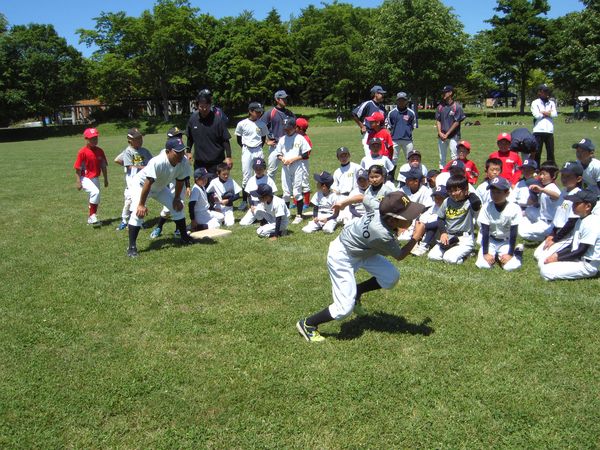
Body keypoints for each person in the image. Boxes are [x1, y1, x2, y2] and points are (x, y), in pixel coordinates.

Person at [296, 191, 426, 342]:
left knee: (391, 277)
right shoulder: (382, 233)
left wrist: (343, 203)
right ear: (392, 220)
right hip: (342, 256)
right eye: (407, 216)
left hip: (363, 251)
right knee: (344, 309)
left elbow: (361, 196)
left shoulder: (380, 208)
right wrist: (416, 236)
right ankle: (308, 324)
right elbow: (400, 255)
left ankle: (357, 291)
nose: (411, 217)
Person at [126, 137, 193, 258]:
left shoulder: (183, 162)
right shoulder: (157, 162)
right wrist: (141, 204)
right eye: (177, 152)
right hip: (141, 185)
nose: (181, 154)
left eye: (183, 151)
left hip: (159, 187)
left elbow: (180, 180)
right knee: (138, 213)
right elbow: (147, 183)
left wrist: (177, 198)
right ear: (168, 151)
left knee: (177, 207)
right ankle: (131, 247)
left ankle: (184, 237)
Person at [539, 189, 600, 281]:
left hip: (587, 265)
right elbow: (573, 246)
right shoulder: (581, 220)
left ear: (588, 206)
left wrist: (558, 258)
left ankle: (591, 274)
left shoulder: (591, 223)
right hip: (578, 260)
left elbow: (581, 251)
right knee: (542, 261)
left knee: (546, 271)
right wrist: (556, 255)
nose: (573, 206)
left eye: (576, 203)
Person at [533, 161, 583, 264]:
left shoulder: (578, 195)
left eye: (568, 176)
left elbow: (571, 223)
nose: (564, 179)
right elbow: (559, 217)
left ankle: (569, 255)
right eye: (563, 175)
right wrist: (552, 233)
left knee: (542, 260)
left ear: (578, 179)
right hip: (559, 231)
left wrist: (555, 239)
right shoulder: (564, 191)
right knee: (537, 254)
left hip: (569, 235)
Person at [427, 175, 482, 264]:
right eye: (450, 191)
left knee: (448, 258)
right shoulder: (447, 201)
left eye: (456, 190)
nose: (453, 194)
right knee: (432, 256)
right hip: (450, 237)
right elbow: (440, 218)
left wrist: (470, 193)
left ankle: (464, 256)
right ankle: (455, 252)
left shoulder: (469, 201)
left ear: (465, 189)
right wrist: (443, 233)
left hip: (465, 238)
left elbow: (477, 204)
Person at [475, 176, 522, 271]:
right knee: (483, 265)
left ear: (507, 193)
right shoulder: (486, 207)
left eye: (498, 192)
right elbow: (485, 231)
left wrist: (510, 254)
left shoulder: (514, 208)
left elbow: (513, 233)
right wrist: (485, 253)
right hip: (490, 240)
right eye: (493, 192)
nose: (495, 195)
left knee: (510, 267)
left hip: (506, 241)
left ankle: (517, 252)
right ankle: (493, 254)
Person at [114, 128, 153, 231]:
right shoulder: (128, 152)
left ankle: (140, 221)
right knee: (129, 200)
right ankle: (124, 220)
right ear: (130, 140)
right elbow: (129, 167)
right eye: (137, 139)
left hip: (142, 180)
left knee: (141, 200)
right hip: (131, 180)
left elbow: (151, 162)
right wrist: (144, 168)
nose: (140, 140)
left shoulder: (144, 151)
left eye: (141, 138)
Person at [186, 90, 232, 173]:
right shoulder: (193, 119)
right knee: (200, 186)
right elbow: (190, 137)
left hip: (216, 163)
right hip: (199, 163)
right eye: (201, 106)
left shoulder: (218, 120)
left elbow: (225, 140)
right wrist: (188, 152)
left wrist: (228, 157)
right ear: (197, 106)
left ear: (210, 105)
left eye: (206, 106)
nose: (204, 109)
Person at [276, 117, 311, 224]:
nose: (286, 130)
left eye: (289, 128)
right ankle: (286, 214)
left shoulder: (300, 138)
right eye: (285, 128)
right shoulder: (282, 139)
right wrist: (283, 159)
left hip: (297, 166)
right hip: (286, 167)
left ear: (295, 127)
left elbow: (305, 153)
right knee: (286, 192)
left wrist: (293, 159)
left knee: (297, 192)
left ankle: (299, 215)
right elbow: (278, 154)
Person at [235, 101, 268, 211]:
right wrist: (246, 148)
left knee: (260, 173)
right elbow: (239, 139)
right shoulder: (242, 123)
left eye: (260, 112)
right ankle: (245, 200)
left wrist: (257, 148)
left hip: (258, 149)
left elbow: (263, 138)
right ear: (250, 111)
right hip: (247, 150)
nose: (259, 114)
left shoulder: (262, 124)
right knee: (246, 175)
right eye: (257, 112)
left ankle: (260, 198)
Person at [518, 161, 561, 242]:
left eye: (544, 174)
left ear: (553, 176)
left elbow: (558, 196)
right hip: (542, 217)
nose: (541, 177)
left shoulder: (552, 187)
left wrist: (542, 190)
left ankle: (547, 237)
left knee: (522, 232)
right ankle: (533, 227)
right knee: (528, 210)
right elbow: (531, 203)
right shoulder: (545, 186)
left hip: (549, 224)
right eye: (540, 174)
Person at [73, 127, 108, 226]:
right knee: (95, 192)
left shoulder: (100, 151)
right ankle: (92, 215)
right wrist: (78, 181)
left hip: (95, 177)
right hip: (85, 177)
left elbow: (103, 166)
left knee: (96, 197)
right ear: (86, 139)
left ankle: (90, 218)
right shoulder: (82, 152)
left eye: (96, 138)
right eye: (92, 138)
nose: (94, 140)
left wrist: (105, 179)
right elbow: (78, 168)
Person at [264, 90, 295, 179]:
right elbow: (259, 127)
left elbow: (295, 127)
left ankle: (290, 192)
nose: (285, 100)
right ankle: (269, 192)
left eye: (286, 98)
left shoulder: (290, 113)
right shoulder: (270, 113)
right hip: (275, 146)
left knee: (290, 170)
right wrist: (266, 141)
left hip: (288, 146)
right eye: (283, 99)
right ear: (277, 99)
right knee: (271, 171)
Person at [239, 157, 278, 226]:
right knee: (243, 223)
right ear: (254, 169)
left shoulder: (269, 180)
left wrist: (267, 205)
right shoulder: (251, 180)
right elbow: (249, 195)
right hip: (254, 204)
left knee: (272, 223)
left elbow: (272, 195)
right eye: (256, 168)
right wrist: (251, 205)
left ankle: (263, 218)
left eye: (260, 168)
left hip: (265, 204)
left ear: (264, 169)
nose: (258, 170)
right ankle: (259, 218)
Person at [411, 185, 447, 256]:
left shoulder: (448, 207)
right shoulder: (432, 206)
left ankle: (424, 245)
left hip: (441, 235)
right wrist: (418, 225)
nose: (437, 200)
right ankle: (416, 242)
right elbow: (420, 217)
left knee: (434, 225)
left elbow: (441, 222)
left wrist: (424, 226)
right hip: (425, 233)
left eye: (440, 198)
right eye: (436, 197)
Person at [435, 85, 466, 168]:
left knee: (454, 156)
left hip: (453, 136)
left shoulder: (457, 107)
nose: (443, 94)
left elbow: (457, 122)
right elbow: (438, 120)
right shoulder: (440, 106)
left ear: (450, 93)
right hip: (442, 135)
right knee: (442, 157)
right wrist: (440, 132)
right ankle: (442, 173)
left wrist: (447, 134)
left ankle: (456, 173)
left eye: (445, 92)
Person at [352, 85, 387, 156]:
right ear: (375, 94)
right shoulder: (368, 104)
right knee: (369, 154)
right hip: (368, 133)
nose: (382, 95)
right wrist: (362, 126)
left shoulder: (382, 107)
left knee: (380, 154)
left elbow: (383, 122)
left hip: (379, 134)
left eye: (383, 94)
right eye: (380, 93)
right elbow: (354, 114)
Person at [206, 163, 242, 227]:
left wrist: (228, 200)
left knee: (230, 224)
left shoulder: (231, 181)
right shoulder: (214, 182)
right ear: (218, 173)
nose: (226, 176)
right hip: (217, 208)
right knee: (216, 224)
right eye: (224, 174)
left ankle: (224, 219)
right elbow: (207, 194)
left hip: (228, 208)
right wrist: (212, 205)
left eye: (227, 174)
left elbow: (237, 195)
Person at [331, 147, 361, 224]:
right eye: (341, 156)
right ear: (338, 158)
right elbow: (334, 185)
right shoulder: (337, 171)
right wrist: (335, 190)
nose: (344, 158)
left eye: (345, 155)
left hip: (354, 196)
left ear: (349, 155)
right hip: (341, 196)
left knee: (349, 219)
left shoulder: (356, 167)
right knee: (339, 219)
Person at [531, 84, 558, 165]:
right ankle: (536, 169)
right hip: (538, 130)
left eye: (547, 91)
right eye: (544, 91)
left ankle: (551, 169)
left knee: (550, 152)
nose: (546, 93)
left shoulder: (551, 103)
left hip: (549, 131)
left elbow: (555, 114)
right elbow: (536, 115)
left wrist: (543, 112)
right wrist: (548, 113)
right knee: (537, 152)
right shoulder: (535, 102)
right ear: (540, 92)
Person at [388, 91, 416, 162]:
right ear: (397, 101)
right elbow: (389, 126)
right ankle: (391, 173)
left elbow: (413, 126)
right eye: (399, 100)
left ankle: (410, 173)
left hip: (408, 140)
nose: (401, 102)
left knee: (410, 159)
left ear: (406, 101)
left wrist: (406, 132)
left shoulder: (411, 113)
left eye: (403, 100)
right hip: (394, 140)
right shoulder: (391, 113)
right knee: (393, 159)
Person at [295, 117, 312, 212]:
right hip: (295, 162)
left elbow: (307, 154)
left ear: (300, 128)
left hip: (303, 162)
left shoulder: (305, 138)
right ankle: (295, 201)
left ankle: (306, 202)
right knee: (295, 182)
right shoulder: (295, 137)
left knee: (304, 181)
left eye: (295, 126)